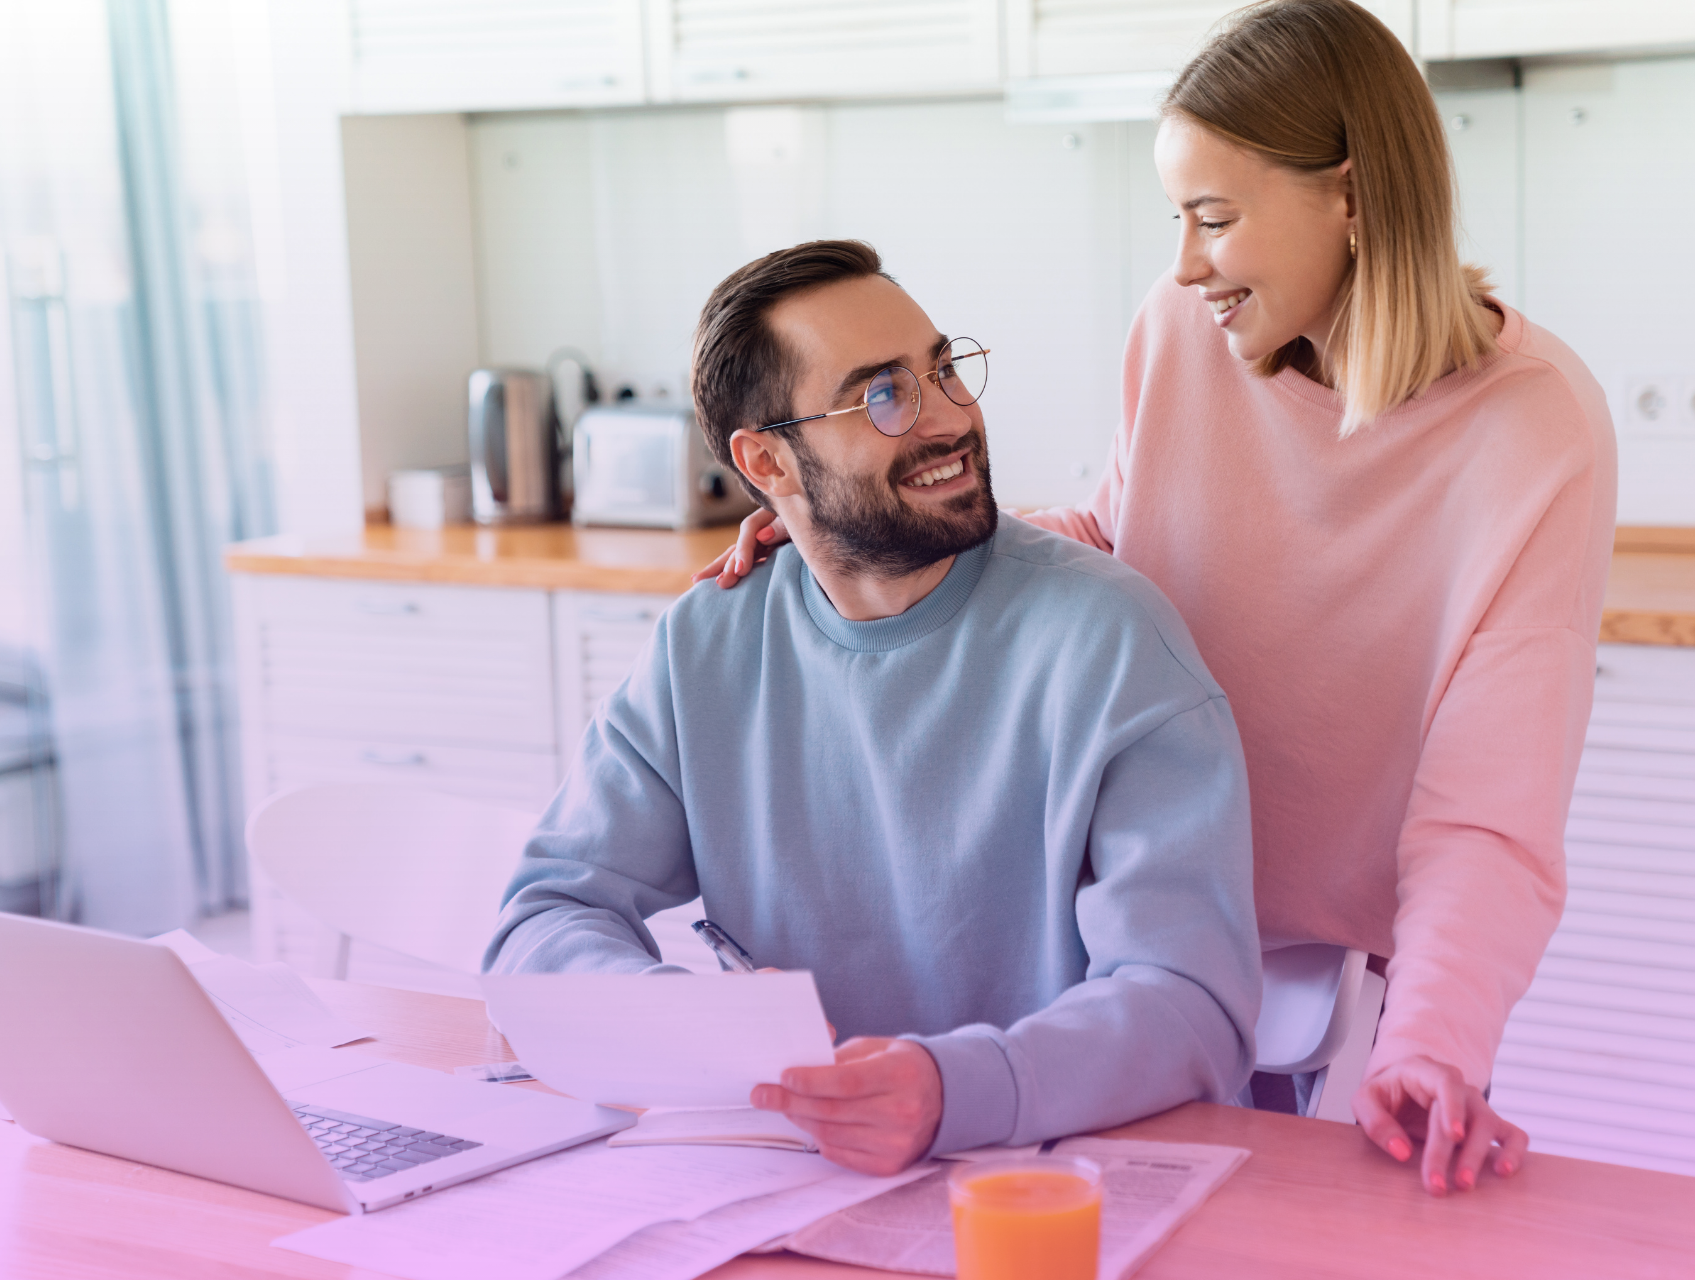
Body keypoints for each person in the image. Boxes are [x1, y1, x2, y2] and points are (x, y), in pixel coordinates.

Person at [699, 0, 1616, 1197]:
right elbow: (1118, 538)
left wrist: (1431, 1050)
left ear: (1348, 192)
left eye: (1216, 217)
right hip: (1114, 911)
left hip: (1310, 959)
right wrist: (864, 524)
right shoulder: (1181, 327)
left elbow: (1487, 815)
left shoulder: (1536, 430)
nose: (1185, 263)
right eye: (1177, 217)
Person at [485, 240, 1262, 1177]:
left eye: (942, 369)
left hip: (1059, 1179)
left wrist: (954, 1089)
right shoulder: (709, 643)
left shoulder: (1110, 641)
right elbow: (544, 914)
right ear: (767, 462)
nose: (947, 418)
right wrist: (692, 1022)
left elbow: (1192, 1007)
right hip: (799, 1174)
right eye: (883, 396)